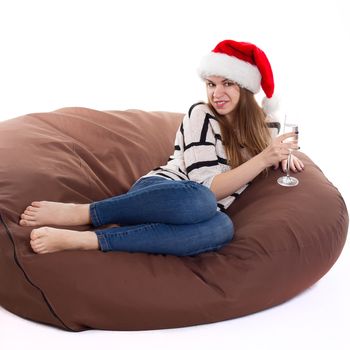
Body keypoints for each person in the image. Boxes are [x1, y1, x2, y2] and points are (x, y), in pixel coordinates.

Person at [18, 39, 304, 256]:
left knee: (222, 228)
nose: (216, 93)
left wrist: (283, 157)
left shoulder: (266, 127)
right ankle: (85, 213)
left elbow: (276, 151)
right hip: (165, 194)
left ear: (245, 87)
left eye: (227, 83)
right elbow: (208, 187)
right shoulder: (201, 114)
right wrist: (265, 158)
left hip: (203, 213)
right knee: (201, 200)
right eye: (211, 84)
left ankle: (87, 240)